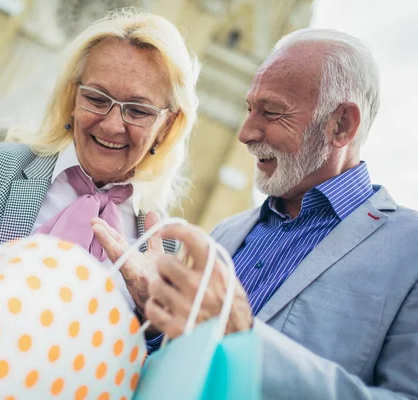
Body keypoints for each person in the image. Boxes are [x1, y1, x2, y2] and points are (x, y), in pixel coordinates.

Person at [94, 28, 418, 398]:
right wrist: (156, 322)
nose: (246, 133)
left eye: (272, 113)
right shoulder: (226, 234)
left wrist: (242, 338)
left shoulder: (410, 250)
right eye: (250, 109)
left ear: (341, 125)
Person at [0, 8, 200, 324]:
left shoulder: (165, 241)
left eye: (138, 111)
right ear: (73, 97)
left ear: (168, 125)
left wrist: (154, 318)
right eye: (97, 99)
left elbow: (149, 360)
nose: (112, 125)